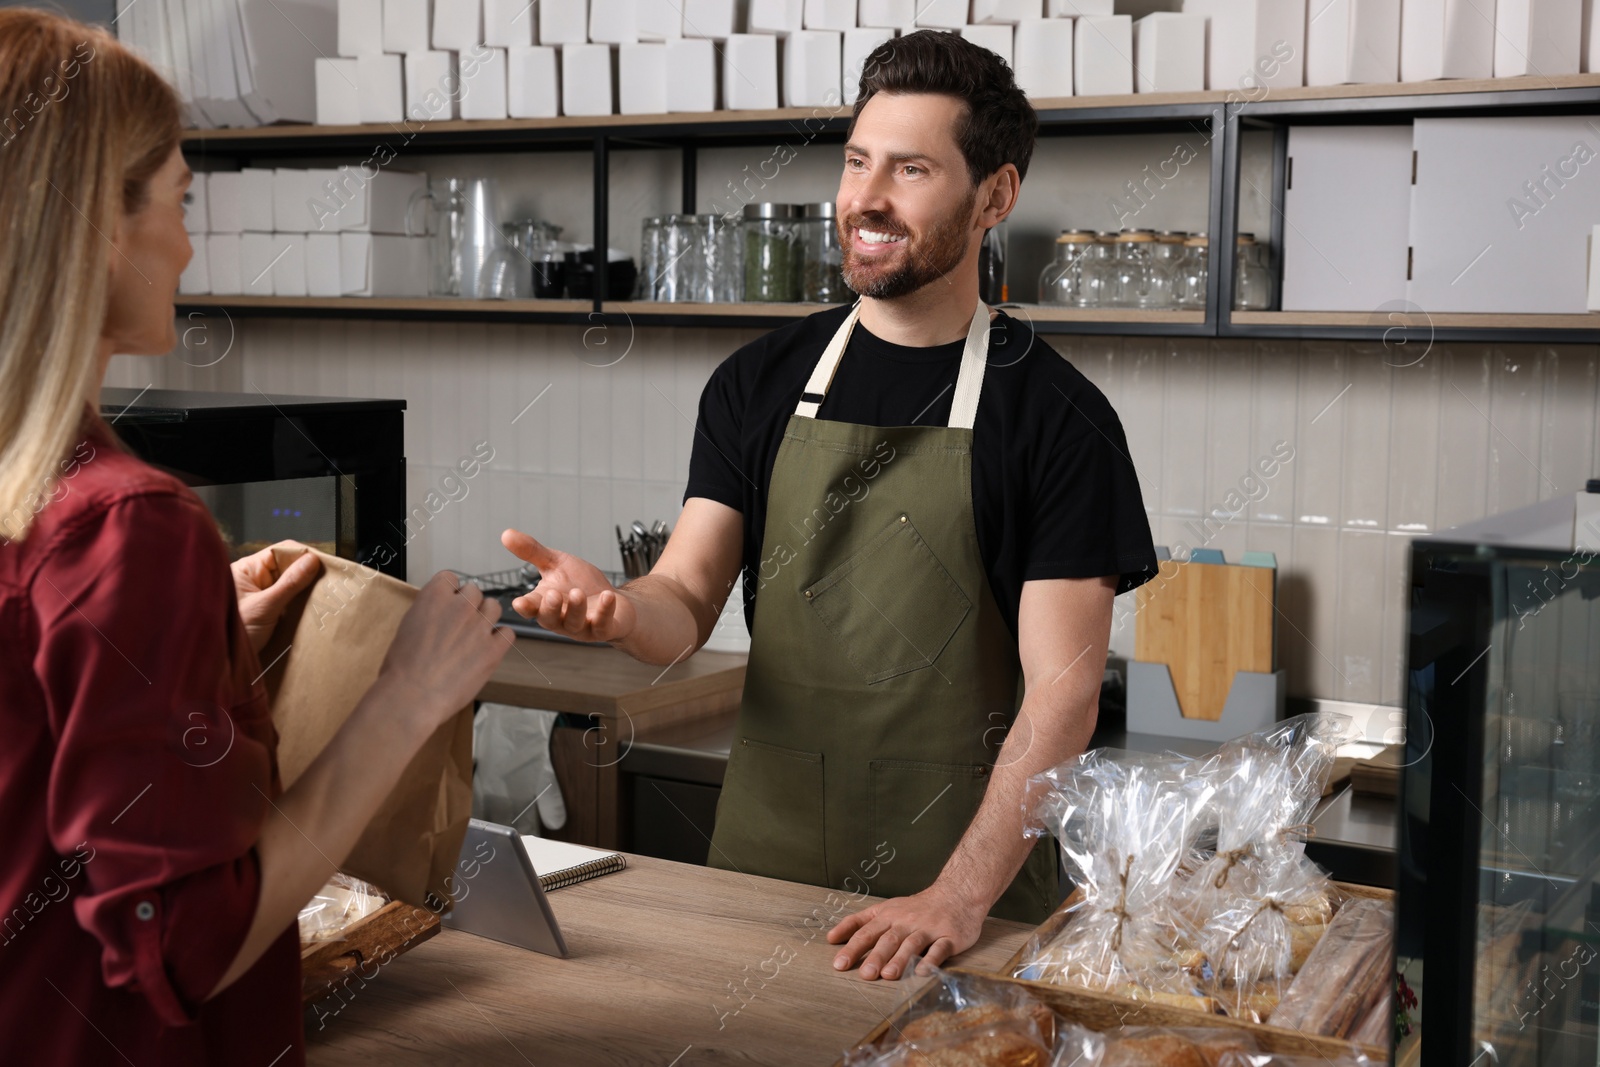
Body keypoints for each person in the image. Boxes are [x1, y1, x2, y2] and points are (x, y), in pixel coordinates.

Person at [504, 31, 1157, 981]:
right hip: (761, 885)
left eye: (911, 168)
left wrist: (957, 894)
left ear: (995, 196)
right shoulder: (757, 383)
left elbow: (1061, 699)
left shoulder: (1058, 418)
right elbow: (682, 601)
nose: (866, 198)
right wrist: (616, 610)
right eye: (857, 162)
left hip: (956, 919)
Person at [0, 11, 510, 1063]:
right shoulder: (128, 524)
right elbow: (185, 946)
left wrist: (189, 643)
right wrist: (407, 696)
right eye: (181, 199)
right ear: (96, 220)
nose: (190, 242)